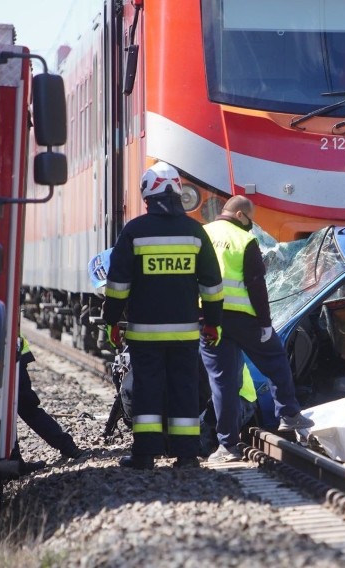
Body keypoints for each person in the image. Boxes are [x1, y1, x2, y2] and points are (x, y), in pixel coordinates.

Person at [102, 161, 224, 470]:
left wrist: (111, 320)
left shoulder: (134, 232)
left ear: (147, 196)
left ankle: (145, 454)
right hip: (184, 333)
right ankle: (186, 455)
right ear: (178, 194)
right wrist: (213, 322)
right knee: (184, 388)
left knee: (147, 390)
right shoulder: (195, 232)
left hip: (145, 332)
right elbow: (212, 284)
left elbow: (117, 285)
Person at [200, 196, 313, 464]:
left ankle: (227, 445)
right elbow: (256, 285)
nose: (252, 226)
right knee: (275, 359)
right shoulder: (244, 240)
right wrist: (264, 322)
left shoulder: (202, 234)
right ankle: (288, 413)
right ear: (240, 215)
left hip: (208, 320)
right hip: (244, 319)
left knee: (222, 382)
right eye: (250, 219)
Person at [11, 334, 85, 475]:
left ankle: (14, 462)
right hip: (7, 350)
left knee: (10, 408)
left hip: (6, 351)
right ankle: (66, 446)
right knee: (25, 405)